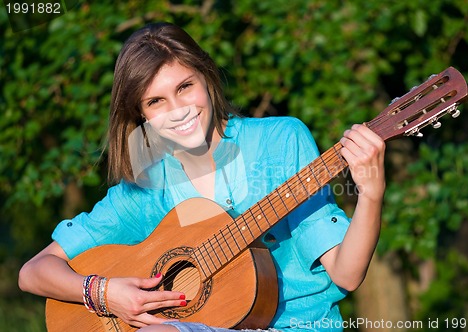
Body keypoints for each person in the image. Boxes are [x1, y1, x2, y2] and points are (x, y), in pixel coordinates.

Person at [18, 22, 385, 332]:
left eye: (184, 87)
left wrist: (371, 193)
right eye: (155, 102)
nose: (178, 112)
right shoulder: (146, 187)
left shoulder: (280, 140)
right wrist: (104, 292)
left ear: (207, 77)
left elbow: (347, 274)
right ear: (141, 115)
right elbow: (34, 271)